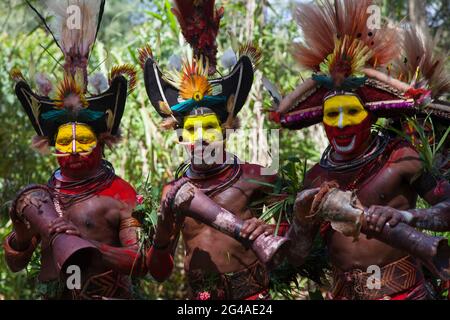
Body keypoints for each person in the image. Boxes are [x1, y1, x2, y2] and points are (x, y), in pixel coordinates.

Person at [272, 0, 450, 300]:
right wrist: (302, 220)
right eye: (332, 114)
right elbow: (294, 258)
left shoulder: (401, 158)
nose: (340, 124)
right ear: (321, 120)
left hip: (406, 293)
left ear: (370, 114)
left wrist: (407, 218)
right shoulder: (316, 178)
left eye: (350, 112)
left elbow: (448, 210)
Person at [140, 0, 285, 300]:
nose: (201, 139)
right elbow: (159, 272)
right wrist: (164, 233)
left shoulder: (256, 175)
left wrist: (271, 232)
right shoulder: (173, 192)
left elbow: (297, 249)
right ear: (180, 136)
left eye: (209, 128)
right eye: (191, 130)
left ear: (226, 129)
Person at [3, 0, 146, 299]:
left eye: (84, 140)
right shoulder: (41, 197)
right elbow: (15, 264)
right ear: (51, 146)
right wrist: (22, 233)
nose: (74, 150)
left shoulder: (121, 193)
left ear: (103, 142)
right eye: (64, 143)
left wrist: (91, 247)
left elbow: (143, 263)